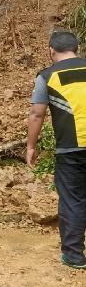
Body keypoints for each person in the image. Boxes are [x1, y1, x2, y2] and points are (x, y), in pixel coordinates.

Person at [27, 30, 86, 270]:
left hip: (70, 149)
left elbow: (37, 113)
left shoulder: (47, 76)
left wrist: (31, 145)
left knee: (72, 200)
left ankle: (74, 256)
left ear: (51, 50)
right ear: (78, 48)